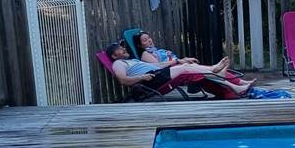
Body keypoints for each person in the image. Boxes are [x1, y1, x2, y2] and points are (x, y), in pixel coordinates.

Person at [107, 42, 252, 99]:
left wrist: (177, 60)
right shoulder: (118, 64)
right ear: (114, 55)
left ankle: (230, 83)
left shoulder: (132, 61)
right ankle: (215, 70)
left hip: (157, 73)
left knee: (189, 68)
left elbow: (158, 66)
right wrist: (141, 78)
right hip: (151, 80)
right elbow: (122, 80)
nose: (124, 49)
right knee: (186, 69)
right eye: (120, 49)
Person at [136, 30, 251, 88]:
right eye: (145, 40)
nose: (149, 40)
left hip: (177, 66)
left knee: (203, 68)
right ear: (140, 46)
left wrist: (182, 59)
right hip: (167, 73)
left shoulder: (156, 50)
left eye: (149, 38)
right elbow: (160, 66)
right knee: (203, 71)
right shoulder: (145, 54)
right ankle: (233, 84)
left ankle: (238, 83)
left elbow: (169, 60)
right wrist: (179, 61)